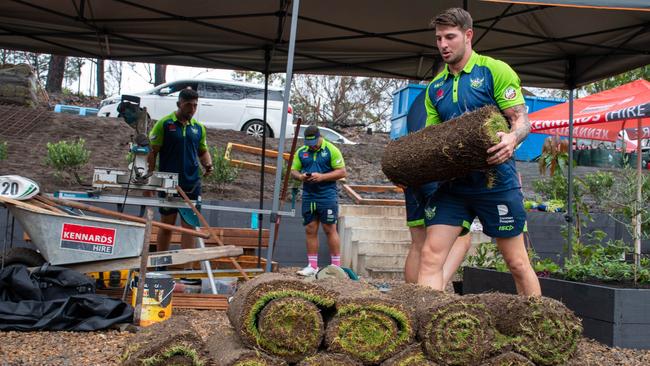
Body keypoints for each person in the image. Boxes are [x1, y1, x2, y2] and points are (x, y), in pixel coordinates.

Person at [419, 8, 541, 296]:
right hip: (453, 185)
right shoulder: (436, 87)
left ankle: (539, 329)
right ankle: (428, 325)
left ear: (468, 35)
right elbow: (433, 138)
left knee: (516, 262)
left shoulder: (494, 70)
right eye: (438, 39)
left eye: (450, 37)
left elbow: (521, 119)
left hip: (496, 181)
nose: (443, 45)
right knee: (430, 256)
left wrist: (512, 139)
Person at [147, 88, 213, 252]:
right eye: (188, 105)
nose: (192, 109)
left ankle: (187, 271)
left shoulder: (198, 128)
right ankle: (160, 265)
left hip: (191, 183)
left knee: (189, 228)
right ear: (179, 104)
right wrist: (149, 179)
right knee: (167, 225)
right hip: (169, 183)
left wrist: (208, 165)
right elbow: (152, 151)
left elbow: (202, 151)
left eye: (195, 106)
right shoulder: (164, 124)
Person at [291, 125, 347, 276]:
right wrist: (301, 176)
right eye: (309, 143)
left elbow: (342, 172)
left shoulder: (331, 150)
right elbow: (293, 170)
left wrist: (322, 177)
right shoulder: (302, 152)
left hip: (327, 195)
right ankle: (312, 265)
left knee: (329, 228)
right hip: (309, 195)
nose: (312, 146)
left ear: (320, 137)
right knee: (310, 228)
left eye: (314, 142)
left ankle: (336, 266)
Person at [403, 182, 472, 285]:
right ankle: (436, 288)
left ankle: (413, 295)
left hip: (412, 177)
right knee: (460, 238)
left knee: (418, 243)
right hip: (438, 180)